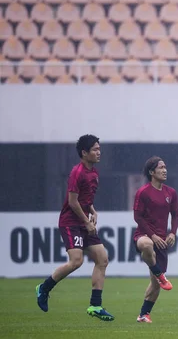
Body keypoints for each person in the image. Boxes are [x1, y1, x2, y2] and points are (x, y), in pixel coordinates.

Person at [35, 134, 114, 321]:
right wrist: (86, 222)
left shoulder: (94, 172)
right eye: (95, 149)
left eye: (99, 148)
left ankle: (95, 305)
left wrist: (93, 211)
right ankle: (44, 288)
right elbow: (72, 201)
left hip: (84, 221)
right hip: (71, 222)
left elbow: (85, 199)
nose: (98, 152)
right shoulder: (77, 172)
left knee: (102, 258)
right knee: (76, 261)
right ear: (84, 153)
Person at [133, 156, 178, 323]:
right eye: (161, 167)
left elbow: (175, 216)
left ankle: (144, 314)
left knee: (155, 284)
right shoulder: (143, 192)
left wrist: (172, 233)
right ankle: (159, 273)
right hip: (144, 234)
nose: (165, 170)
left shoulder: (171, 193)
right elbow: (137, 217)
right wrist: (151, 234)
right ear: (152, 172)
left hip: (161, 240)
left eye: (165, 167)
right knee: (146, 244)